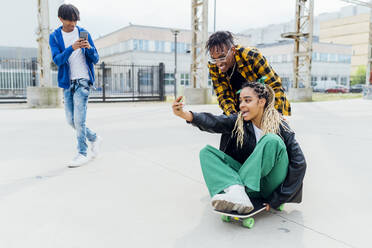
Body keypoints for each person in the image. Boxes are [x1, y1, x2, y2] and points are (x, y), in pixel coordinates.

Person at [172, 81, 306, 214]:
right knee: (206, 153)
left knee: (271, 140)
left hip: (270, 185)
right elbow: (215, 122)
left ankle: (237, 192)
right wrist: (185, 115)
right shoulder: (239, 122)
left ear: (261, 102)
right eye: (241, 101)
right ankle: (237, 192)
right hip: (247, 185)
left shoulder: (280, 126)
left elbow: (299, 163)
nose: (242, 105)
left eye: (247, 100)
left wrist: (278, 199)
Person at [206, 31, 291, 151]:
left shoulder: (252, 56)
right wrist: (234, 117)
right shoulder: (213, 65)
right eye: (214, 59)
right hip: (238, 105)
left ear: (233, 50)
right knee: (228, 141)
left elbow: (274, 85)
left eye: (222, 57)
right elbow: (222, 94)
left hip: (262, 104)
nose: (219, 63)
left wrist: (275, 113)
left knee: (272, 140)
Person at [49, 4, 101, 167]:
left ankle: (82, 153)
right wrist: (72, 48)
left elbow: (96, 58)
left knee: (79, 120)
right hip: (67, 82)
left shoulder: (83, 32)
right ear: (60, 19)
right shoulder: (55, 36)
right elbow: (57, 60)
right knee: (71, 121)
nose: (73, 24)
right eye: (69, 21)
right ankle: (94, 138)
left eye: (75, 20)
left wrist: (89, 48)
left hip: (83, 81)